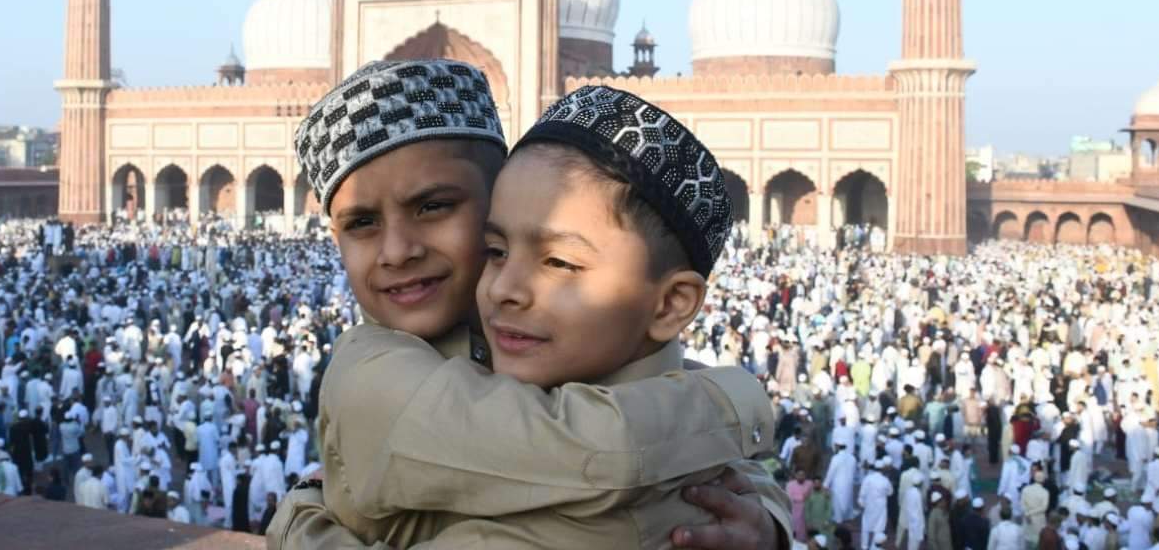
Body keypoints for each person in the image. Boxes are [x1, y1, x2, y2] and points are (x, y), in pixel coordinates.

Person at [270, 67, 788, 550]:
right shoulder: (374, 371)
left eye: (434, 206)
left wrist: (300, 520)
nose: (397, 251)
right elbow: (601, 447)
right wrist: (735, 404)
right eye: (361, 223)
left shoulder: (532, 346)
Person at [861, 459, 895, 550]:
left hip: (869, 505)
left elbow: (862, 493)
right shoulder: (885, 480)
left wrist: (862, 502)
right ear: (883, 469)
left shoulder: (867, 478)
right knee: (879, 528)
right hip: (881, 507)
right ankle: (874, 547)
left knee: (866, 526)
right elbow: (890, 492)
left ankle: (864, 546)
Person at [788, 468, 814, 541]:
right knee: (793, 529)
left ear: (805, 476)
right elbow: (790, 497)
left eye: (803, 475)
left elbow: (812, 494)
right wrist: (802, 497)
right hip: (794, 510)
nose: (801, 477)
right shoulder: (790, 484)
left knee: (804, 530)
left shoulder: (809, 483)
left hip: (807, 511)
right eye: (799, 475)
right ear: (795, 475)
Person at [804, 476, 834, 541]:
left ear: (821, 483)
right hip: (813, 523)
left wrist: (827, 521)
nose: (817, 485)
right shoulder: (809, 494)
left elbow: (829, 508)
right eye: (815, 483)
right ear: (813, 484)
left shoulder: (826, 494)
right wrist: (808, 523)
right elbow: (807, 509)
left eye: (818, 483)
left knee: (824, 540)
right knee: (813, 541)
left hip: (823, 523)